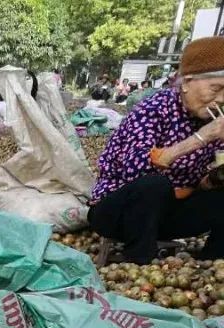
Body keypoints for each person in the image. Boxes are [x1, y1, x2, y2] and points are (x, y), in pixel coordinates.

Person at [89, 37, 224, 265]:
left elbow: (203, 183)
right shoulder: (154, 108)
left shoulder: (215, 120)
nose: (221, 99)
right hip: (119, 212)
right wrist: (201, 138)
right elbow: (136, 171)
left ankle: (211, 264)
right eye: (216, 88)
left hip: (167, 215)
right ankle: (138, 263)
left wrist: (216, 177)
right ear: (186, 82)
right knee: (155, 184)